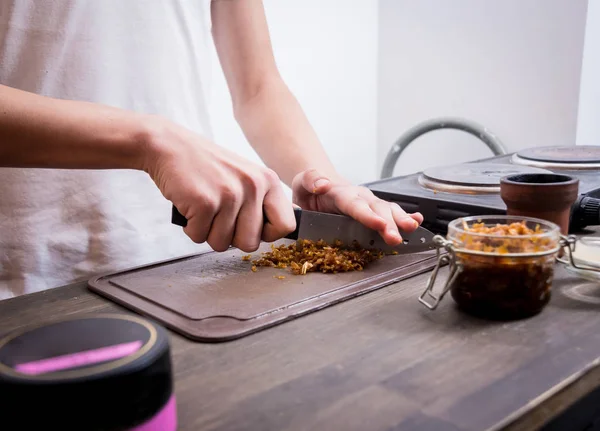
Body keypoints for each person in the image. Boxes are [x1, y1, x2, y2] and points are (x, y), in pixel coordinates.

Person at [0, 0, 423, 300]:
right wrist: (151, 142)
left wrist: (325, 182)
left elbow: (258, 89)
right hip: (27, 274)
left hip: (185, 266)